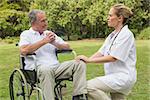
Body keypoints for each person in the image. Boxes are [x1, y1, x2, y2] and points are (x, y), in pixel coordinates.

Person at [19, 9, 87, 100]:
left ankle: (79, 96)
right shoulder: (26, 34)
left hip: (56, 67)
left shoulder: (49, 34)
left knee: (79, 64)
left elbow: (68, 47)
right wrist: (44, 41)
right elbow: (24, 50)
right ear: (33, 22)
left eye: (46, 20)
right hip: (37, 69)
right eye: (43, 21)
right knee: (46, 70)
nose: (46, 23)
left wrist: (55, 43)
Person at [76, 4, 136, 100]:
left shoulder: (126, 34)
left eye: (110, 15)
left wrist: (89, 61)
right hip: (114, 76)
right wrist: (86, 60)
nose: (107, 18)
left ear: (120, 18)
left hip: (122, 77)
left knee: (88, 86)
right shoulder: (112, 35)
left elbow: (113, 57)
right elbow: (101, 52)